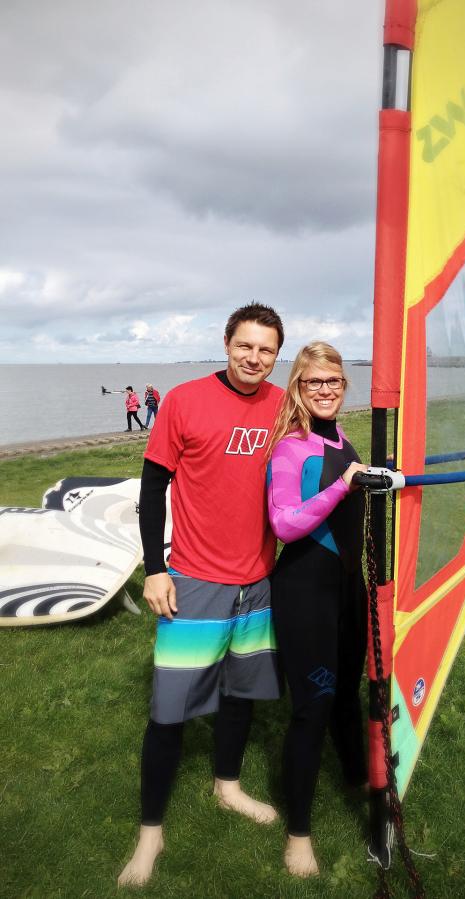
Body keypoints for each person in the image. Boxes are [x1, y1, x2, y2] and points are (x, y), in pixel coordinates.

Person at [118, 303, 285, 887]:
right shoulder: (185, 400)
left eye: (266, 350)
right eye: (245, 346)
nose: (254, 358)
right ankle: (151, 833)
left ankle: (227, 786)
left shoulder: (283, 404)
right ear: (227, 343)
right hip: (194, 579)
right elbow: (152, 487)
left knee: (240, 695)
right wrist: (154, 568)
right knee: (170, 712)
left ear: (276, 355)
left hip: (258, 581)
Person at [266, 341, 369, 878]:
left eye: (333, 381)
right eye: (314, 381)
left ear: (343, 386)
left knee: (348, 694)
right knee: (313, 707)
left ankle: (359, 783)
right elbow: (284, 524)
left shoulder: (344, 441)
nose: (325, 390)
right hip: (305, 590)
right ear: (299, 388)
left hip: (350, 588)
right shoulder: (291, 448)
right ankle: (298, 835)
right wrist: (344, 486)